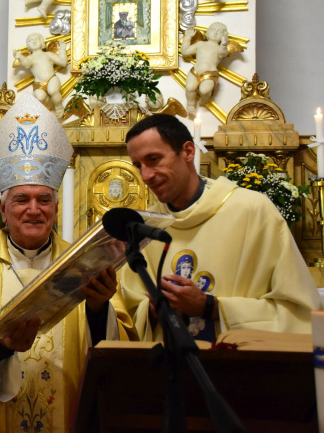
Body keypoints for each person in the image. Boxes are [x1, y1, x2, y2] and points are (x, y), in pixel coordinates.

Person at [0, 93, 135, 433]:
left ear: (56, 209)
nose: (34, 209)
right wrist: (1, 348)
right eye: (21, 199)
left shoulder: (85, 264)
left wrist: (98, 309)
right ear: (3, 210)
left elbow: (123, 358)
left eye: (44, 200)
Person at [122, 114, 321, 343]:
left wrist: (210, 307)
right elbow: (127, 317)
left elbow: (300, 313)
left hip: (240, 363)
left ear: (188, 151)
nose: (146, 175)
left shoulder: (253, 211)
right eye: (139, 166)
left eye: (154, 159)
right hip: (169, 363)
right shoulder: (146, 227)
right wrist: (153, 311)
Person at [181, 22, 241, 116]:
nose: (215, 33)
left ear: (223, 36)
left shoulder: (220, 48)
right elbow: (184, 52)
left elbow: (222, 53)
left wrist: (224, 44)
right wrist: (188, 37)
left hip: (210, 74)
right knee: (190, 88)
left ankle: (205, 97)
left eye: (219, 32)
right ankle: (190, 105)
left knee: (204, 90)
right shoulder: (200, 44)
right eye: (213, 30)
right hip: (195, 71)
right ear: (207, 32)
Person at [13, 33, 68, 118]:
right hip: (38, 82)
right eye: (31, 40)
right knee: (40, 97)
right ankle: (53, 104)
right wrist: (20, 57)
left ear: (42, 42)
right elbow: (26, 64)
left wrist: (62, 50)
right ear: (28, 45)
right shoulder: (30, 58)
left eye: (36, 39)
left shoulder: (48, 54)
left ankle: (59, 107)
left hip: (51, 78)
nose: (34, 41)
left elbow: (63, 63)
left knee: (52, 90)